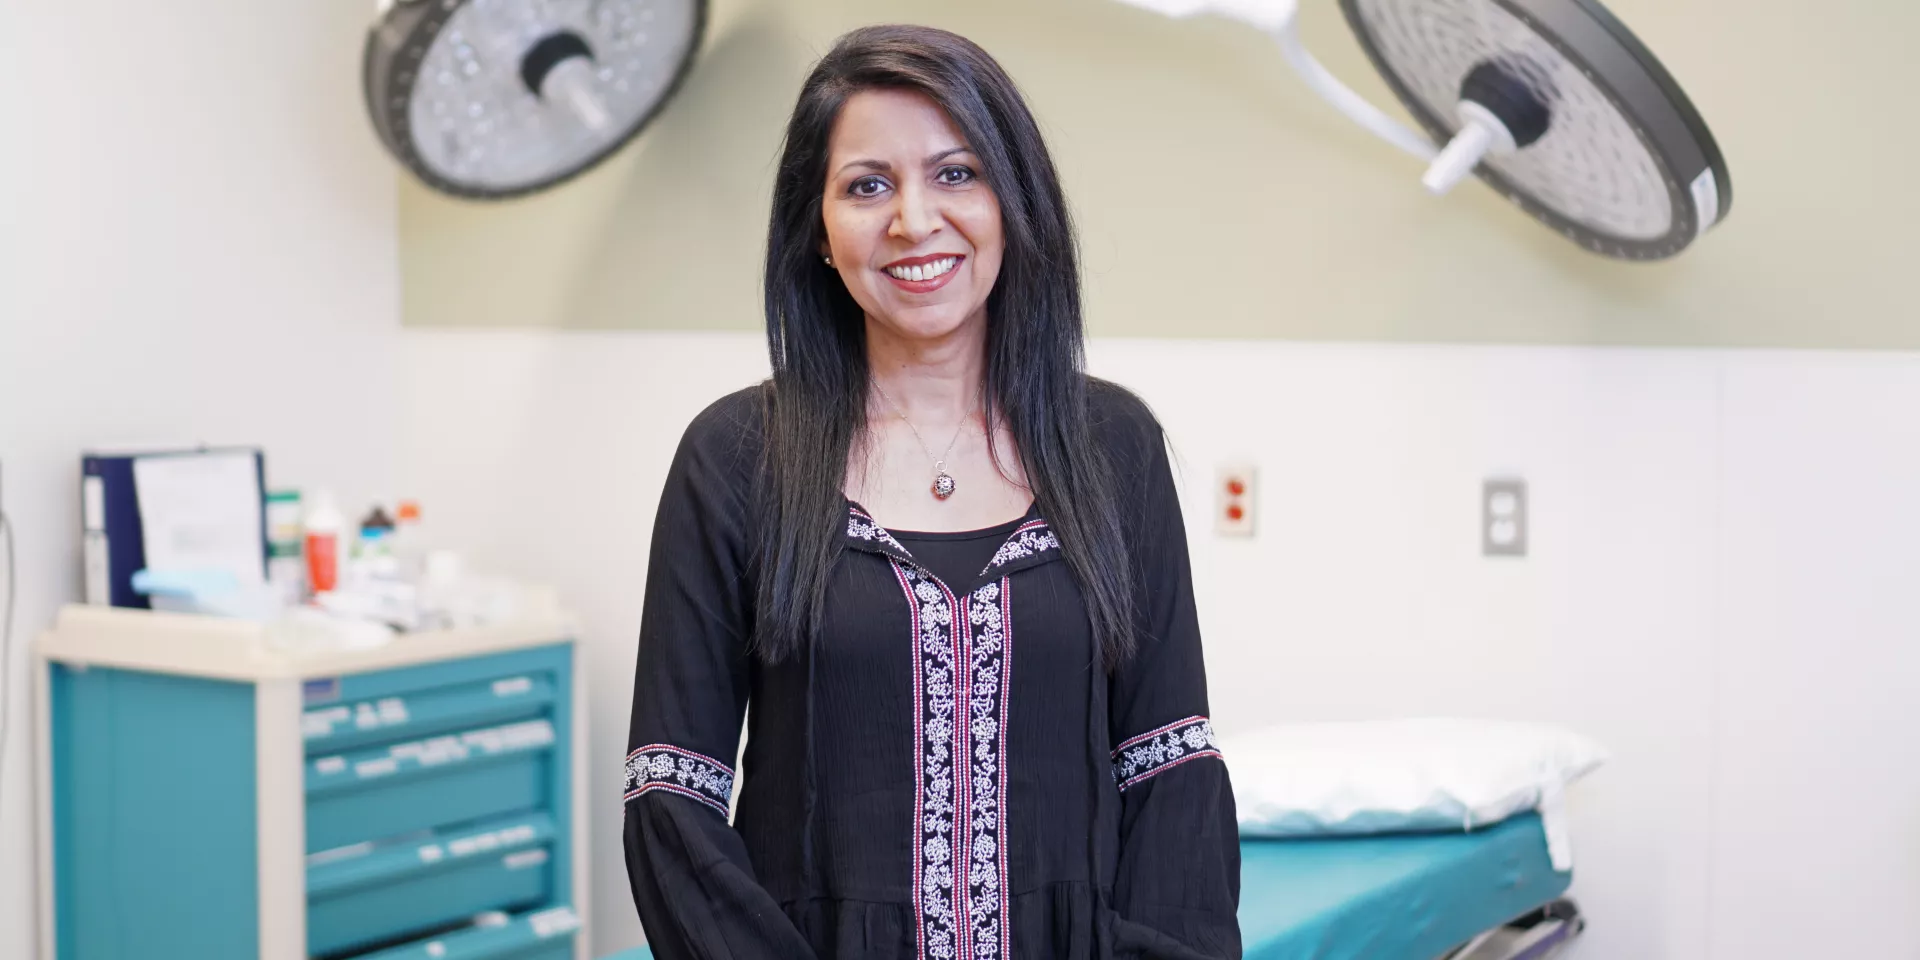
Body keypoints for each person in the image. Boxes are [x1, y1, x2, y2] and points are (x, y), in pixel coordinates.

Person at [623, 23, 1240, 959]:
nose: (914, 220)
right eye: (867, 186)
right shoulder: (735, 457)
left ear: (1013, 201)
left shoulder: (1114, 446)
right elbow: (672, 793)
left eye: (957, 174)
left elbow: (1170, 764)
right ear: (818, 230)